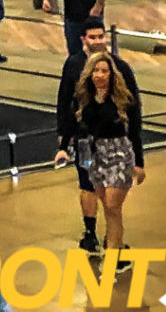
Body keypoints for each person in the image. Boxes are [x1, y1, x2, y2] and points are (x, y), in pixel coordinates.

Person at [55, 50, 145, 274]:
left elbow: (135, 131)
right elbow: (72, 122)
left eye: (104, 71)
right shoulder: (83, 97)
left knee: (113, 205)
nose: (100, 75)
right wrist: (63, 148)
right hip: (95, 155)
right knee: (108, 207)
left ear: (111, 74)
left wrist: (139, 163)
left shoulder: (123, 98)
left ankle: (112, 255)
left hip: (118, 154)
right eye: (96, 70)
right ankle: (119, 250)